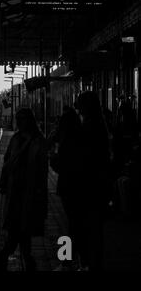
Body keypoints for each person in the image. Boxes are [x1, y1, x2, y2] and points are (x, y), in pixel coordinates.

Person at [0, 108, 48, 271]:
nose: (19, 123)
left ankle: (5, 259)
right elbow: (7, 161)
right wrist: (3, 181)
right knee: (20, 228)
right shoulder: (17, 139)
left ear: (29, 121)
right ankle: (26, 261)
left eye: (22, 119)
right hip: (15, 189)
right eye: (18, 119)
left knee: (21, 228)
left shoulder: (37, 141)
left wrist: (40, 192)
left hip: (30, 191)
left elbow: (42, 169)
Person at [74, 91, 111, 271]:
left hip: (87, 187)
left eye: (79, 103)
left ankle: (72, 262)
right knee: (93, 230)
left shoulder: (89, 127)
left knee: (76, 228)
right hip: (97, 187)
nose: (76, 107)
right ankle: (91, 263)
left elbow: (83, 157)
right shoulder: (99, 126)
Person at [52, 106, 82, 270]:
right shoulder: (82, 137)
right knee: (75, 223)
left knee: (70, 224)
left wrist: (53, 159)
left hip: (68, 186)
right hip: (80, 186)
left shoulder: (67, 142)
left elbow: (59, 164)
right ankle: (74, 259)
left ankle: (67, 259)